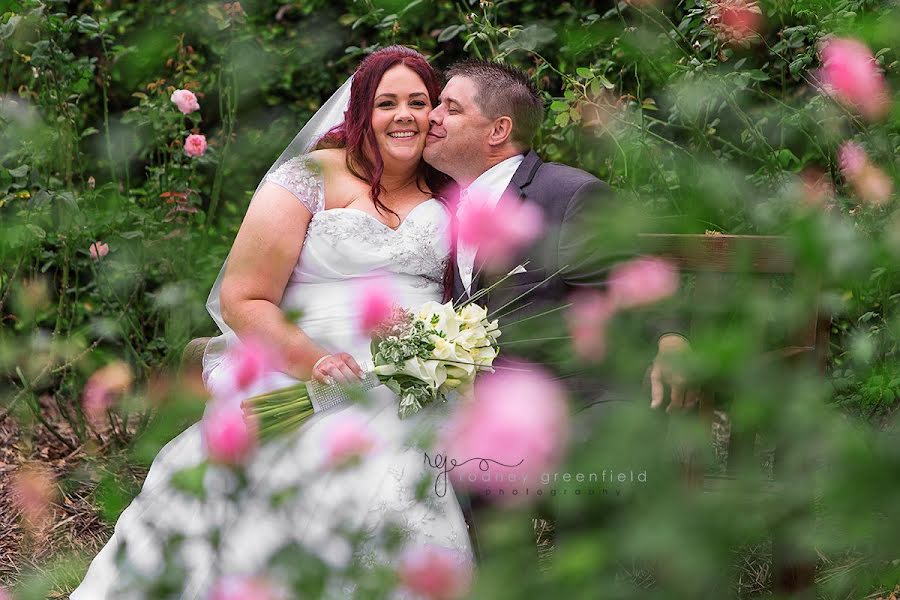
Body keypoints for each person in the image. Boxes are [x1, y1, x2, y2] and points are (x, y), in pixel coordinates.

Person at [71, 46, 473, 599]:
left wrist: (441, 352)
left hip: (421, 373)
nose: (404, 114)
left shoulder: (452, 188)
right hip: (302, 362)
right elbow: (244, 296)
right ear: (360, 111)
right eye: (386, 102)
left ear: (436, 112)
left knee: (404, 465)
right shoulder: (309, 177)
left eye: (419, 102)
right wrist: (320, 363)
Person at [422, 59, 694, 562]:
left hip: (582, 404)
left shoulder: (568, 194)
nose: (431, 116)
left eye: (450, 107)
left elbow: (634, 290)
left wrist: (671, 340)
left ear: (498, 130)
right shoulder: (432, 208)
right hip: (490, 413)